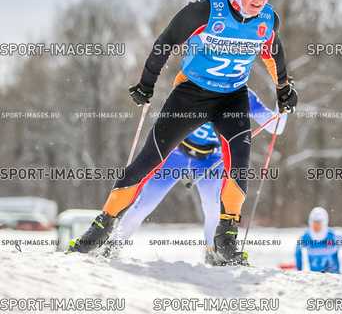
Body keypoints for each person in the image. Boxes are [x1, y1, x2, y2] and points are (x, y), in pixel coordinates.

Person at [69, 0, 297, 264]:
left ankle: (226, 239)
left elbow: (273, 53)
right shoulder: (206, 10)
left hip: (232, 99)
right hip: (192, 95)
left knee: (239, 167)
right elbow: (166, 42)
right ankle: (101, 228)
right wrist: (147, 83)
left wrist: (284, 88)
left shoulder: (267, 20)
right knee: (148, 160)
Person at [103, 89, 287, 264]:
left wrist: (282, 100)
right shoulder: (200, 80)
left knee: (214, 208)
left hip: (209, 160)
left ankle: (213, 253)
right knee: (144, 204)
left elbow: (275, 126)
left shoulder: (245, 95)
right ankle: (112, 246)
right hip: (176, 154)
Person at [295, 206, 342, 274]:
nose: (316, 225)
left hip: (334, 278)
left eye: (319, 222)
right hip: (315, 278)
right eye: (314, 222)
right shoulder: (306, 238)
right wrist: (299, 270)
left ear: (324, 222)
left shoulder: (334, 237)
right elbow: (298, 250)